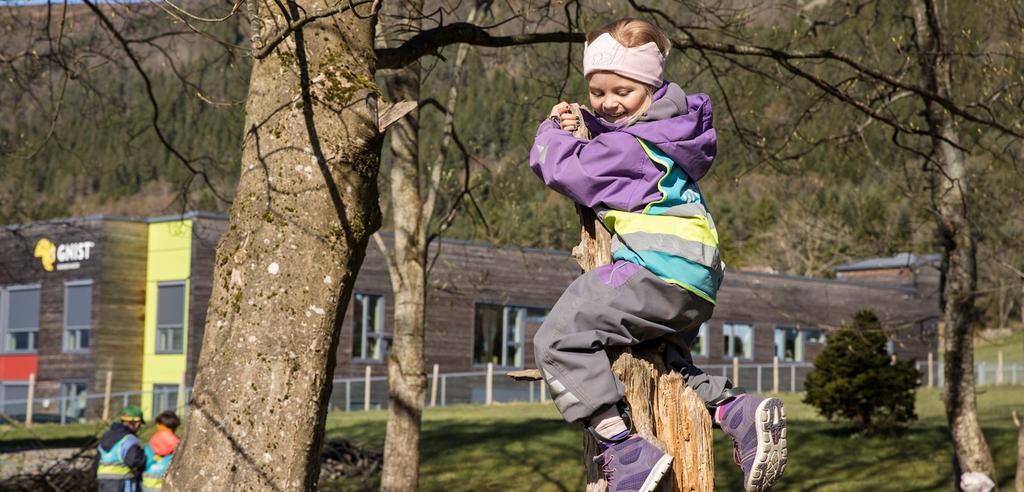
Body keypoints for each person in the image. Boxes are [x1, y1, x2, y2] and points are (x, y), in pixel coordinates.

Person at [530, 18, 788, 492]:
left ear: (650, 87)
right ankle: (736, 410)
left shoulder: (629, 147)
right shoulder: (667, 135)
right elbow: (613, 145)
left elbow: (564, 168)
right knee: (663, 363)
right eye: (597, 92)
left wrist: (552, 131)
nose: (607, 102)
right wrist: (588, 124)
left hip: (654, 272)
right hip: (695, 283)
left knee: (559, 338)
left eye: (621, 91)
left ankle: (624, 450)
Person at [97, 405, 146, 492]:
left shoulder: (106, 436)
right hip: (121, 482)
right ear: (137, 423)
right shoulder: (130, 439)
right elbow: (134, 461)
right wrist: (143, 457)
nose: (139, 428)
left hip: (103, 480)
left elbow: (97, 460)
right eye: (140, 425)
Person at [142, 410, 181, 491]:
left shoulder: (151, 443)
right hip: (167, 487)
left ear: (159, 425)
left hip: (147, 486)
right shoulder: (179, 444)